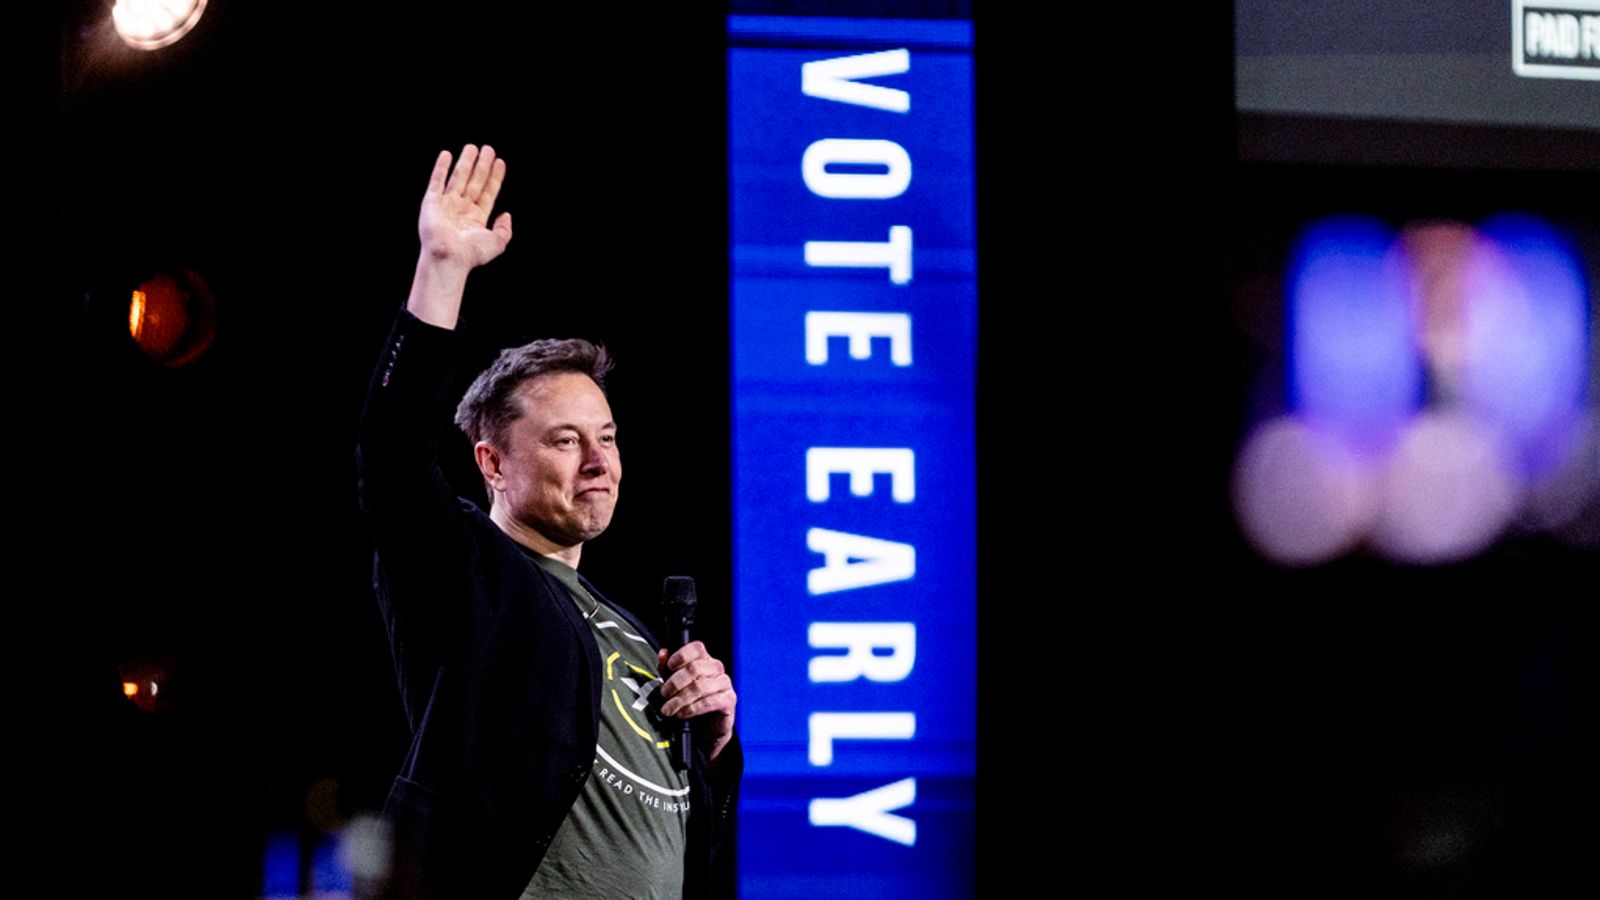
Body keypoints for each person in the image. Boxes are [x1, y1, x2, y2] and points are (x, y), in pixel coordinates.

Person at [357, 144, 739, 900]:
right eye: (566, 441)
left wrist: (715, 743)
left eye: (608, 437)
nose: (599, 461)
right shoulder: (469, 574)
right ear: (493, 464)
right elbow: (392, 455)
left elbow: (675, 829)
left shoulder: (629, 629)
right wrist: (443, 266)